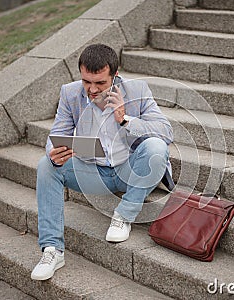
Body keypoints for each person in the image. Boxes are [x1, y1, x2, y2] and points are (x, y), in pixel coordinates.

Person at [31, 44, 173, 280]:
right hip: (95, 173)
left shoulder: (137, 90)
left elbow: (166, 132)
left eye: (100, 83)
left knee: (156, 147)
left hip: (131, 171)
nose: (92, 89)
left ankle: (124, 216)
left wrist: (125, 118)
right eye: (87, 81)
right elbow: (56, 134)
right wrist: (55, 153)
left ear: (114, 77)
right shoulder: (70, 93)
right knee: (46, 165)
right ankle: (52, 250)